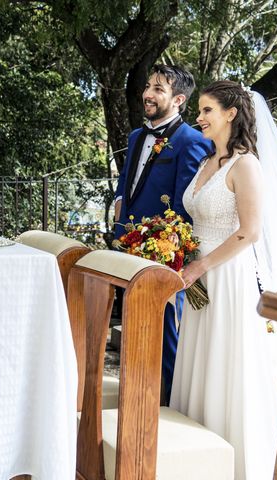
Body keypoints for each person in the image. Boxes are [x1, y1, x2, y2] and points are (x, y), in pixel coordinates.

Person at [171, 80, 277, 479]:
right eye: (199, 111)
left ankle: (234, 462)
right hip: (197, 277)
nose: (198, 118)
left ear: (231, 114)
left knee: (226, 367)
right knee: (198, 362)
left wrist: (201, 266)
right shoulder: (206, 163)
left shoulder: (246, 165)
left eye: (206, 111)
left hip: (226, 278)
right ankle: (195, 459)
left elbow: (249, 232)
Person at [114, 64, 211, 401]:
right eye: (148, 86)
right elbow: (125, 184)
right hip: (125, 249)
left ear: (179, 99)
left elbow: (186, 204)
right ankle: (137, 396)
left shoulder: (192, 141)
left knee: (166, 333)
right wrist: (117, 212)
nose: (148, 94)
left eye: (158, 89)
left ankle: (166, 405)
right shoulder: (135, 136)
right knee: (133, 328)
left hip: (163, 254)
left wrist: (168, 248)